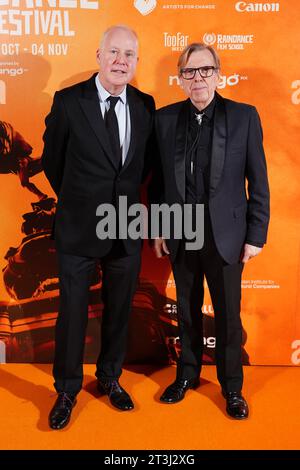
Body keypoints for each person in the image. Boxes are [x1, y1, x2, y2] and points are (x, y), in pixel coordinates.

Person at [42, 25, 155, 429]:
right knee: (72, 312)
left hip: (125, 228)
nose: (121, 60)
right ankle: (67, 389)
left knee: (120, 310)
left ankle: (110, 377)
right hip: (77, 228)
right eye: (114, 52)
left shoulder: (145, 105)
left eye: (129, 54)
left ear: (136, 62)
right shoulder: (69, 102)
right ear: (99, 55)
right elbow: (53, 163)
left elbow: (145, 169)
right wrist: (79, 202)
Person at [153, 43, 270, 419]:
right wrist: (158, 228)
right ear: (181, 79)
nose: (198, 78)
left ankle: (232, 387)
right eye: (189, 72)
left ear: (218, 74)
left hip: (229, 237)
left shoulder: (244, 117)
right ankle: (186, 375)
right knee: (186, 310)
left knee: (227, 315)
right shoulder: (164, 119)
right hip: (180, 231)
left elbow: (259, 182)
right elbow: (157, 185)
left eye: (205, 70)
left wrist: (256, 235)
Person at [0, 120, 47, 201]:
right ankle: (41, 196)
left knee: (24, 182)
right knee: (25, 182)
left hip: (19, 159)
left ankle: (41, 196)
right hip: (18, 161)